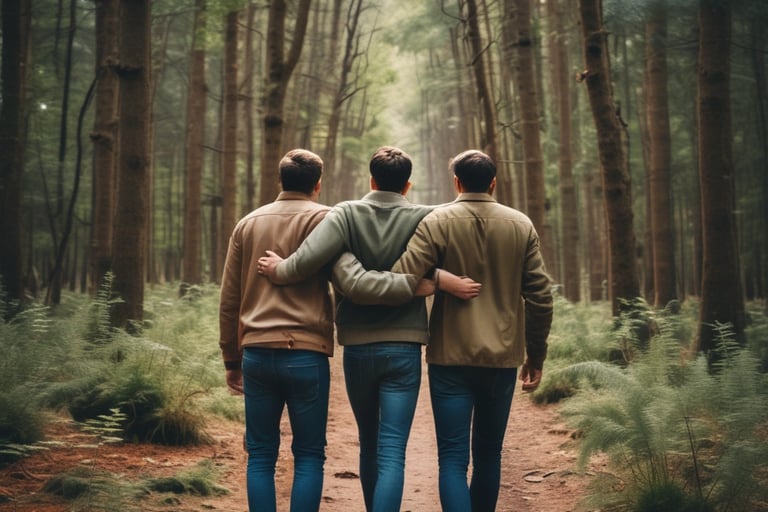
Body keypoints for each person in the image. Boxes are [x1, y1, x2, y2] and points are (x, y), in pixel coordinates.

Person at [257, 146, 479, 512]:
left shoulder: (346, 213)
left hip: (358, 347)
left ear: (371, 180)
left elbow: (305, 263)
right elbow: (448, 259)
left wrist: (279, 268)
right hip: (405, 347)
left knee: (370, 442)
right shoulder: (426, 218)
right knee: (393, 450)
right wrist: (435, 280)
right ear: (407, 185)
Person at [339, 149, 554, 512]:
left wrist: (436, 278)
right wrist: (536, 355)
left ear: (456, 182)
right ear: (494, 182)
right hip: (502, 358)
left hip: (449, 357)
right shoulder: (521, 225)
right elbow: (541, 297)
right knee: (489, 454)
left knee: (452, 459)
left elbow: (402, 274)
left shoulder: (438, 221)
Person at [218, 149, 334, 512]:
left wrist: (231, 359)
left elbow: (230, 299)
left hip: (256, 352)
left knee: (261, 454)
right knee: (310, 455)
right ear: (318, 184)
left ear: (280, 181)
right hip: (307, 354)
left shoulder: (248, 223)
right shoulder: (328, 220)